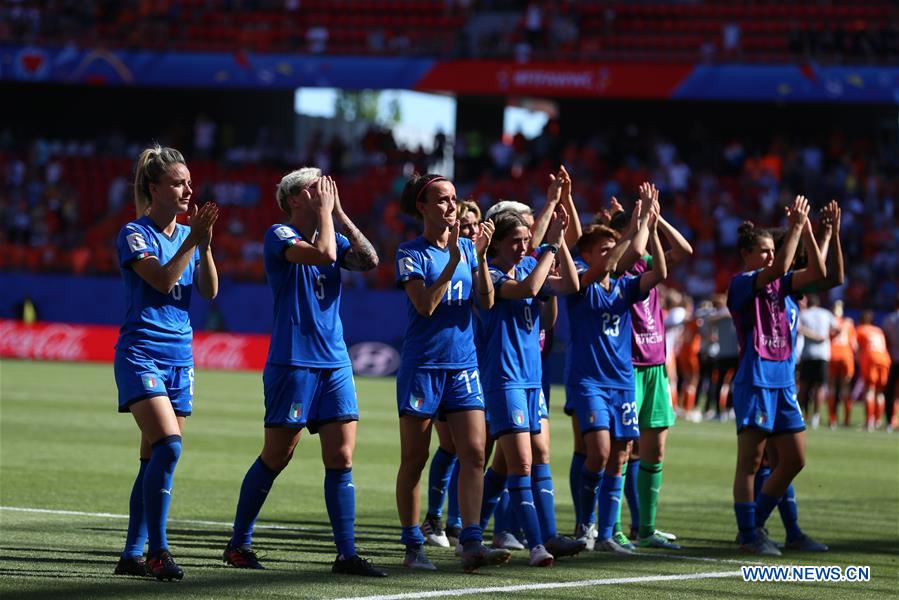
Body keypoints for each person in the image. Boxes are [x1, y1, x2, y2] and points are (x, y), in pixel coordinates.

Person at [222, 169, 386, 577]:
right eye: (317, 187)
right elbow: (327, 255)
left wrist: (340, 213)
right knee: (278, 454)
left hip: (334, 362)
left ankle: (346, 554)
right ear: (295, 198)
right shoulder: (278, 235)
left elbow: (369, 261)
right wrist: (327, 217)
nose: (326, 191)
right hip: (293, 360)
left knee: (342, 455)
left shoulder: (334, 231)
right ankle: (238, 543)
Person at [394, 172, 510, 572]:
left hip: (463, 365)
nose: (451, 206)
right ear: (422, 207)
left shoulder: (467, 248)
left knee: (475, 452)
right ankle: (413, 545)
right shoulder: (411, 253)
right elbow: (425, 306)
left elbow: (488, 302)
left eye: (454, 199)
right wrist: (452, 265)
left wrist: (476, 259)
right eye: (442, 200)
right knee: (415, 458)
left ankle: (472, 540)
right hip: (423, 366)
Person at [113, 145, 219, 580]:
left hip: (181, 355)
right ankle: (159, 551)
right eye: (178, 182)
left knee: (152, 458)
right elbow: (161, 279)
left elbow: (210, 292)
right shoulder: (135, 233)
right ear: (154, 187)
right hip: (142, 352)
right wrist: (191, 241)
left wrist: (205, 245)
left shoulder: (188, 235)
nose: (188, 190)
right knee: (169, 447)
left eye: (189, 182)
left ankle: (131, 555)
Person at [476, 181, 583, 567]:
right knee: (520, 463)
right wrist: (549, 246)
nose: (524, 246)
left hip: (531, 377)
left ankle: (472, 533)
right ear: (499, 244)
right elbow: (527, 289)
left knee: (531, 458)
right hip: (504, 378)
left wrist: (561, 244)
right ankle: (538, 544)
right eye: (517, 240)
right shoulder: (489, 274)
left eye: (527, 239)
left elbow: (570, 284)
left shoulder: (526, 265)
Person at [726, 195, 825, 556]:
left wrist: (813, 232)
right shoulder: (741, 284)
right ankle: (749, 532)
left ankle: (754, 526)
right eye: (763, 251)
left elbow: (819, 274)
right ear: (747, 256)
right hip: (755, 380)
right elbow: (783, 265)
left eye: (772, 251)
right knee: (750, 462)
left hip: (783, 383)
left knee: (795, 460)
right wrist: (797, 226)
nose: (770, 257)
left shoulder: (781, 286)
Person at [569, 200, 668, 555]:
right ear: (587, 254)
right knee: (597, 451)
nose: (613, 254)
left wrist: (651, 227)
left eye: (613, 247)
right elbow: (617, 259)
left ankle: (608, 533)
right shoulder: (580, 282)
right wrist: (637, 225)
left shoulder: (625, 287)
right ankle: (585, 524)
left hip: (622, 381)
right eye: (605, 248)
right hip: (590, 381)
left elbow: (659, 274)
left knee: (622, 455)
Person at [420, 198, 481, 548]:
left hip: (474, 361)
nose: (468, 230)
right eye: (466, 224)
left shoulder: (475, 257)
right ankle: (435, 519)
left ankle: (463, 526)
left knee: (474, 449)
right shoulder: (436, 256)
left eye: (473, 225)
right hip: (442, 362)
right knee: (451, 444)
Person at [797, 295, 836, 429]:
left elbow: (798, 328)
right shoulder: (826, 314)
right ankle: (816, 416)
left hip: (807, 354)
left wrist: (812, 336)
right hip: (823, 354)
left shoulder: (804, 314)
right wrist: (824, 336)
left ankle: (800, 414)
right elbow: (837, 329)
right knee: (820, 387)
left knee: (804, 386)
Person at [856, 311, 891, 432]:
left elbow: (856, 347)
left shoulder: (860, 329)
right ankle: (878, 421)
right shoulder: (878, 330)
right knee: (880, 392)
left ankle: (869, 422)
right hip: (885, 359)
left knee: (870, 390)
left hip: (871, 359)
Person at [828, 300, 857, 427]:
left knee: (832, 387)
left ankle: (832, 419)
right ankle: (846, 420)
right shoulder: (848, 323)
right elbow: (854, 345)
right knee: (846, 388)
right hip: (846, 355)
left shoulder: (829, 322)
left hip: (832, 354)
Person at [883, 294, 899, 432]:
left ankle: (889, 421)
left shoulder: (889, 319)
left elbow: (885, 341)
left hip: (894, 360)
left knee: (890, 393)